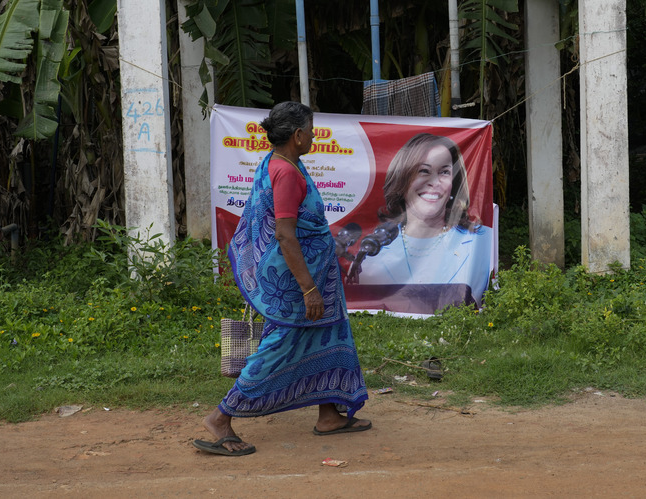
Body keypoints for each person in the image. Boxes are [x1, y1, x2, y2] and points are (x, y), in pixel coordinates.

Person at [193, 101, 371, 456]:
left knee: (330, 336)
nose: (315, 134)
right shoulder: (286, 173)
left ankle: (329, 415)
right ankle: (221, 418)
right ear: (298, 135)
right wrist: (309, 289)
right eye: (312, 128)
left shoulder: (282, 162)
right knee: (281, 347)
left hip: (316, 276)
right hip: (297, 281)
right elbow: (285, 235)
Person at [356, 133, 493, 306]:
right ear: (402, 180)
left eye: (444, 172)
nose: (434, 182)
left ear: (454, 182)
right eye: (423, 171)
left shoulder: (483, 240)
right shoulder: (373, 253)